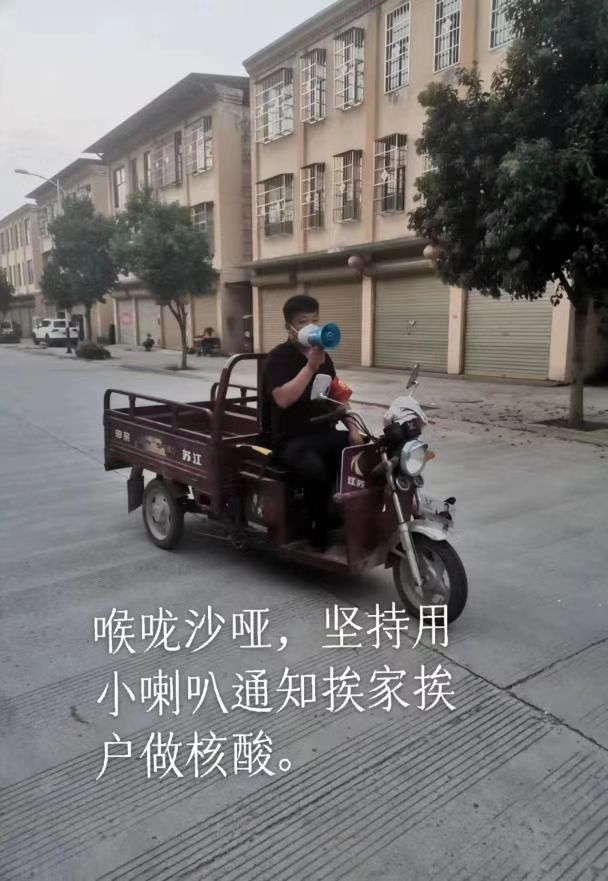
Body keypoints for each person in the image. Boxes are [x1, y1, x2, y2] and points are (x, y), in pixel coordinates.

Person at [263, 294, 364, 551]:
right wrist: (310, 367)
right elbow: (283, 399)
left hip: (322, 431)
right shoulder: (278, 358)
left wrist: (353, 429)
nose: (311, 326)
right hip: (290, 440)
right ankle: (316, 527)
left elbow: (338, 395)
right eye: (303, 321)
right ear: (289, 327)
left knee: (365, 454)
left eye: (315, 320)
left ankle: (353, 515)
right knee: (315, 469)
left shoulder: (324, 358)